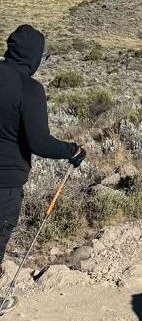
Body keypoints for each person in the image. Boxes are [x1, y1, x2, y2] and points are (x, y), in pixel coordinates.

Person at [0, 25, 86, 304]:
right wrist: (73, 150)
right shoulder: (29, 89)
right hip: (5, 181)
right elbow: (39, 143)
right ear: (34, 56)